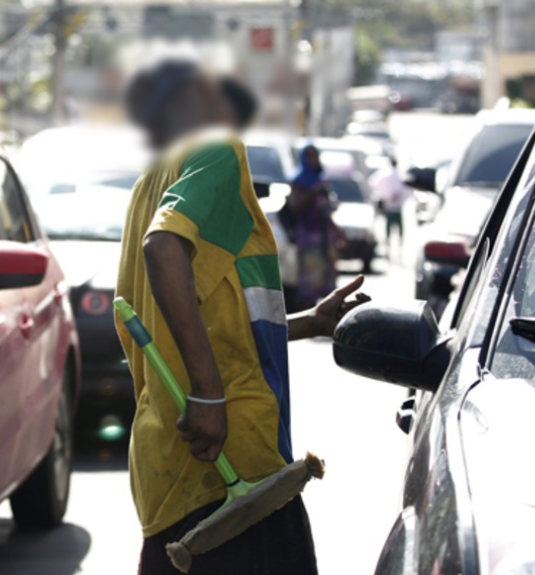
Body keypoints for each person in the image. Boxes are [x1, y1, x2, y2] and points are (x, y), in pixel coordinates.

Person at [116, 60, 370, 575]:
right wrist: (209, 393)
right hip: (231, 462)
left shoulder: (154, 178)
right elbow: (163, 248)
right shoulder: (218, 151)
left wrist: (307, 322)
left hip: (169, 456)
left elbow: (218, 314)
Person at [287, 145, 340, 311]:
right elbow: (295, 206)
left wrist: (339, 234)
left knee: (328, 283)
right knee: (309, 285)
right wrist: (313, 192)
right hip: (309, 239)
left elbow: (326, 210)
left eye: (316, 156)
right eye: (310, 156)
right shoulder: (298, 181)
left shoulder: (321, 179)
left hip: (326, 238)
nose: (313, 160)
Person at [368, 158, 412, 256]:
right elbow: (407, 189)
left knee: (390, 229)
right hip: (395, 207)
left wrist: (386, 196)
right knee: (398, 230)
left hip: (391, 206)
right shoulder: (398, 175)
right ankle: (398, 249)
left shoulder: (386, 174)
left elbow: (373, 182)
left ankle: (390, 249)